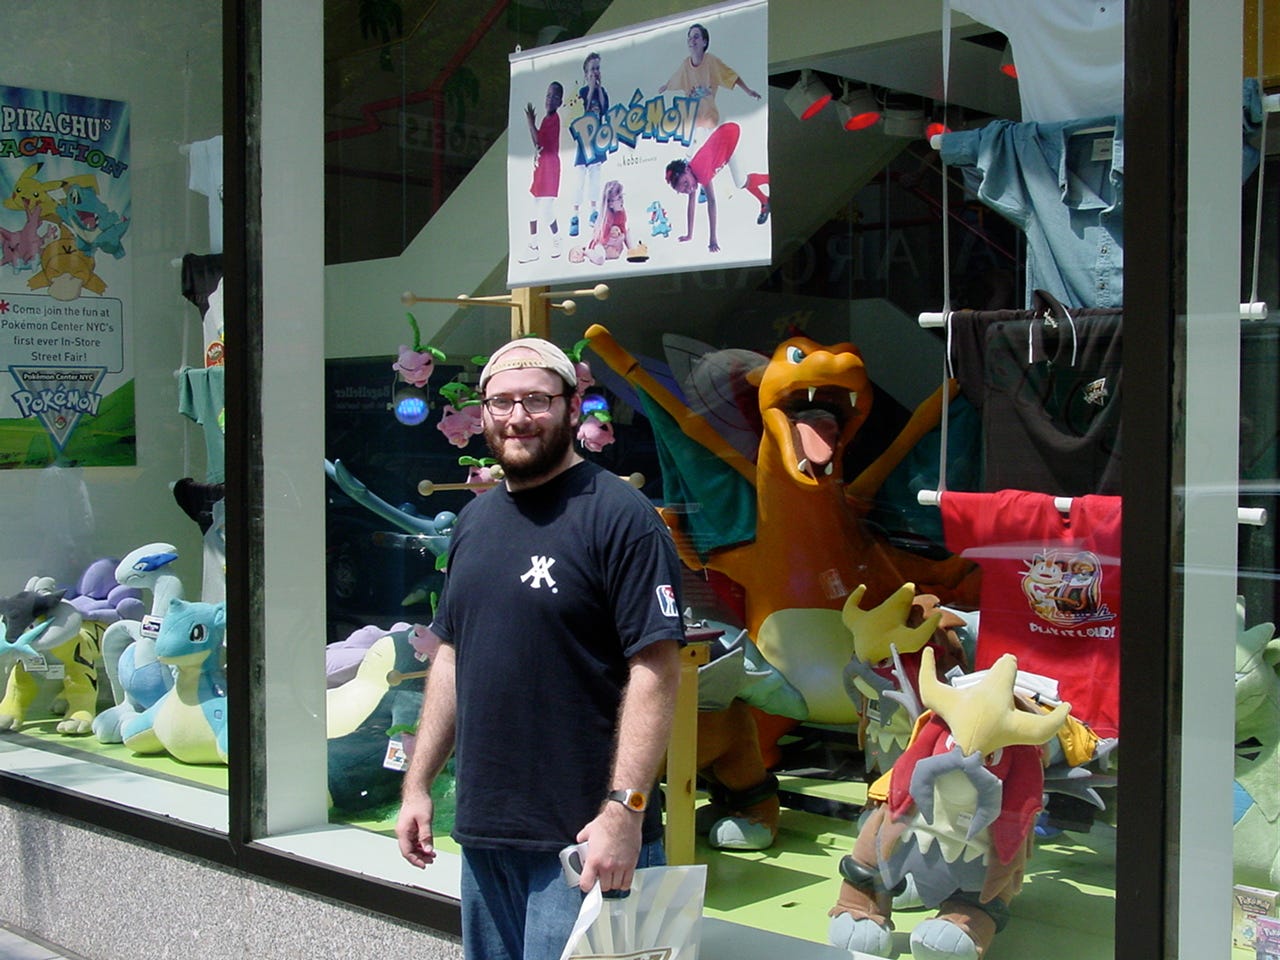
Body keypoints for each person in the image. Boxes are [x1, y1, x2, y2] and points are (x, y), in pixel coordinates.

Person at [396, 337, 686, 960]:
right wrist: (418, 784)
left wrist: (625, 811)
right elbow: (451, 655)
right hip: (486, 833)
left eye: (536, 399)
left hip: (584, 841)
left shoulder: (621, 518)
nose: (517, 417)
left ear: (573, 407)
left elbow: (657, 669)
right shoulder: (475, 521)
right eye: (501, 402)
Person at [664, 121, 770, 252]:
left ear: (686, 170)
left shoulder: (700, 171)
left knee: (741, 182)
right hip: (724, 142)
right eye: (684, 190)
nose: (689, 189)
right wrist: (689, 234)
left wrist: (713, 238)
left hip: (731, 136)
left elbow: (712, 203)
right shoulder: (691, 175)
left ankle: (772, 179)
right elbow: (691, 205)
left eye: (686, 183)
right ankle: (765, 201)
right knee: (742, 181)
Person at [658, 22, 762, 137]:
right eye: (690, 38)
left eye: (696, 37)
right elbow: (675, 78)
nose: (692, 41)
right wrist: (665, 86)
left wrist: (748, 90)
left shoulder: (711, 62)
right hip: (692, 123)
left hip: (709, 120)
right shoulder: (685, 65)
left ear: (704, 42)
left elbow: (731, 76)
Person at [517, 82, 564, 264]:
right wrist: (533, 125)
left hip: (550, 168)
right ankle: (534, 245)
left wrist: (530, 123)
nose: (549, 99)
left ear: (559, 102)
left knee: (546, 209)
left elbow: (539, 140)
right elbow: (537, 143)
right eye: (548, 95)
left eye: (554, 97)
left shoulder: (554, 120)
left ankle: (556, 239)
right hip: (541, 167)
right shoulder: (546, 119)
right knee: (533, 207)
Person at [569, 52, 609, 238]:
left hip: (596, 141)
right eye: (592, 69)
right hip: (584, 141)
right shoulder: (583, 93)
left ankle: (593, 210)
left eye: (598, 68)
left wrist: (599, 89)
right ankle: (575, 214)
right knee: (579, 179)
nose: (595, 72)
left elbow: (603, 110)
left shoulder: (602, 92)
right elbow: (582, 113)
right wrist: (591, 89)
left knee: (595, 175)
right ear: (586, 74)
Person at [571, 180, 635, 265]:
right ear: (610, 204)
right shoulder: (606, 218)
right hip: (601, 244)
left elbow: (624, 230)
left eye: (622, 196)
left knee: (626, 232)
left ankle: (633, 251)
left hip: (614, 244)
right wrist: (612, 241)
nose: (622, 200)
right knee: (600, 259)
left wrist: (629, 249)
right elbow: (602, 240)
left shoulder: (621, 212)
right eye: (619, 198)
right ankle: (586, 251)